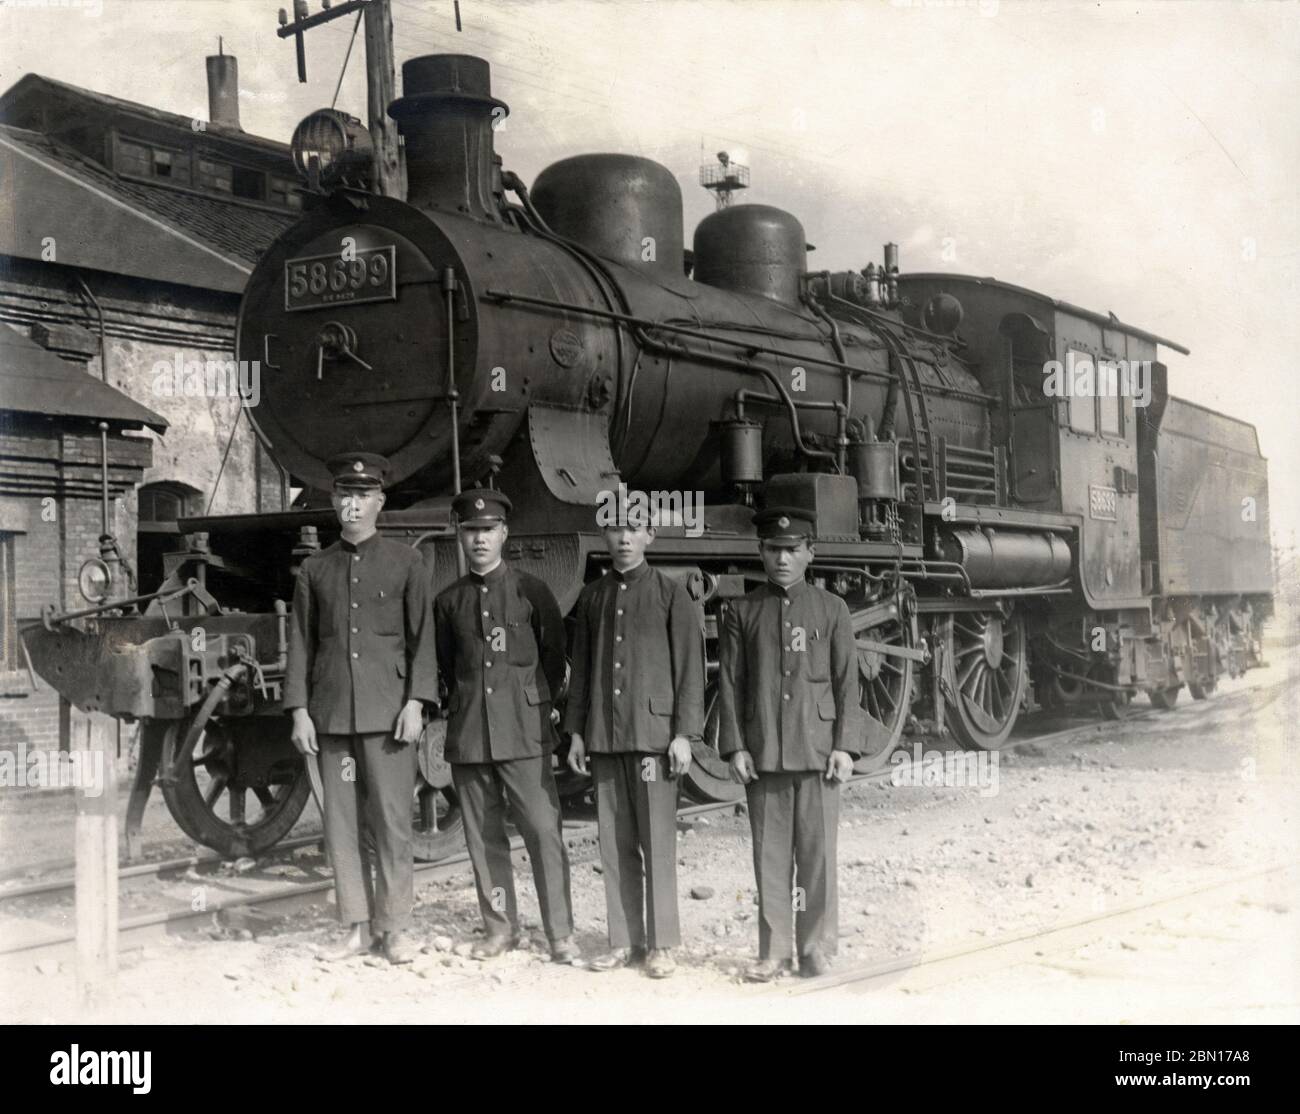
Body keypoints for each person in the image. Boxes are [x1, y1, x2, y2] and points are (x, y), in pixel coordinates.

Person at [284, 451, 437, 965]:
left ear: (380, 501)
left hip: (388, 715)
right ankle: (355, 927)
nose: (353, 504)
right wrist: (299, 710)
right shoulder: (314, 568)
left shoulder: (407, 562)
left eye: (362, 495)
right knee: (341, 827)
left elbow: (423, 639)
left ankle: (394, 929)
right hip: (331, 716)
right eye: (344, 495)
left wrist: (417, 701)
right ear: (333, 501)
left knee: (393, 823)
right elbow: (301, 644)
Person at [434, 488, 581, 964]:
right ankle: (500, 928)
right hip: (471, 733)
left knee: (543, 830)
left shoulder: (533, 592)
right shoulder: (448, 602)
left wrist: (539, 706)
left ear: (504, 534)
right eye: (471, 531)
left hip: (525, 732)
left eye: (488, 530)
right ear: (460, 535)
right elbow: (444, 666)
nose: (480, 539)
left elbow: (555, 659)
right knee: (484, 838)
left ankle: (560, 932)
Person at [718, 506, 862, 981]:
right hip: (765, 752)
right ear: (760, 552)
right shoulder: (741, 611)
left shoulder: (832, 609)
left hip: (819, 750)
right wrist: (736, 746)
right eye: (773, 549)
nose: (782, 558)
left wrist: (845, 746)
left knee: (817, 856)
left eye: (792, 550)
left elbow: (847, 683)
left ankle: (815, 946)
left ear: (810, 553)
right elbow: (731, 685)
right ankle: (775, 950)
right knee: (770, 856)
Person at [566, 506, 705, 978]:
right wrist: (578, 732)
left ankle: (662, 943)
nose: (623, 537)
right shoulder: (592, 598)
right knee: (614, 844)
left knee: (656, 843)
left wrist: (684, 735)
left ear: (649, 534)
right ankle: (623, 940)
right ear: (603, 533)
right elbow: (581, 671)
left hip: (653, 739)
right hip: (606, 738)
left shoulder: (671, 594)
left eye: (633, 528)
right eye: (614, 528)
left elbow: (690, 672)